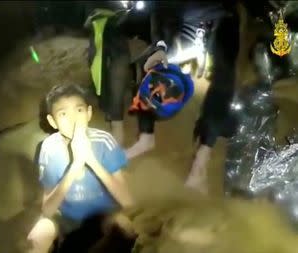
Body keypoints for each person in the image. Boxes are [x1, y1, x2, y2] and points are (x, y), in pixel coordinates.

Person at [131, 1, 240, 194]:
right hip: (185, 24)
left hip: (222, 20)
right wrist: (160, 47)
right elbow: (158, 11)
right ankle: (146, 138)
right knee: (148, 62)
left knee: (224, 77)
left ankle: (201, 163)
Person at [26, 84, 134, 253]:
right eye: (63, 113)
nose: (73, 119)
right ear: (52, 121)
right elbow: (47, 209)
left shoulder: (104, 141)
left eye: (79, 110)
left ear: (89, 113)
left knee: (125, 228)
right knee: (37, 237)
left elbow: (127, 200)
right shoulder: (49, 148)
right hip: (66, 217)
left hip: (104, 214)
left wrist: (90, 160)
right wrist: (76, 165)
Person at [125, 63, 195, 159]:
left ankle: (146, 138)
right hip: (162, 73)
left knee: (148, 101)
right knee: (145, 98)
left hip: (168, 101)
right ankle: (145, 136)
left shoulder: (171, 100)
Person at [84, 5, 132, 145]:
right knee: (102, 65)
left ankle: (115, 120)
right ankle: (113, 117)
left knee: (111, 65)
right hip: (109, 23)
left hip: (111, 23)